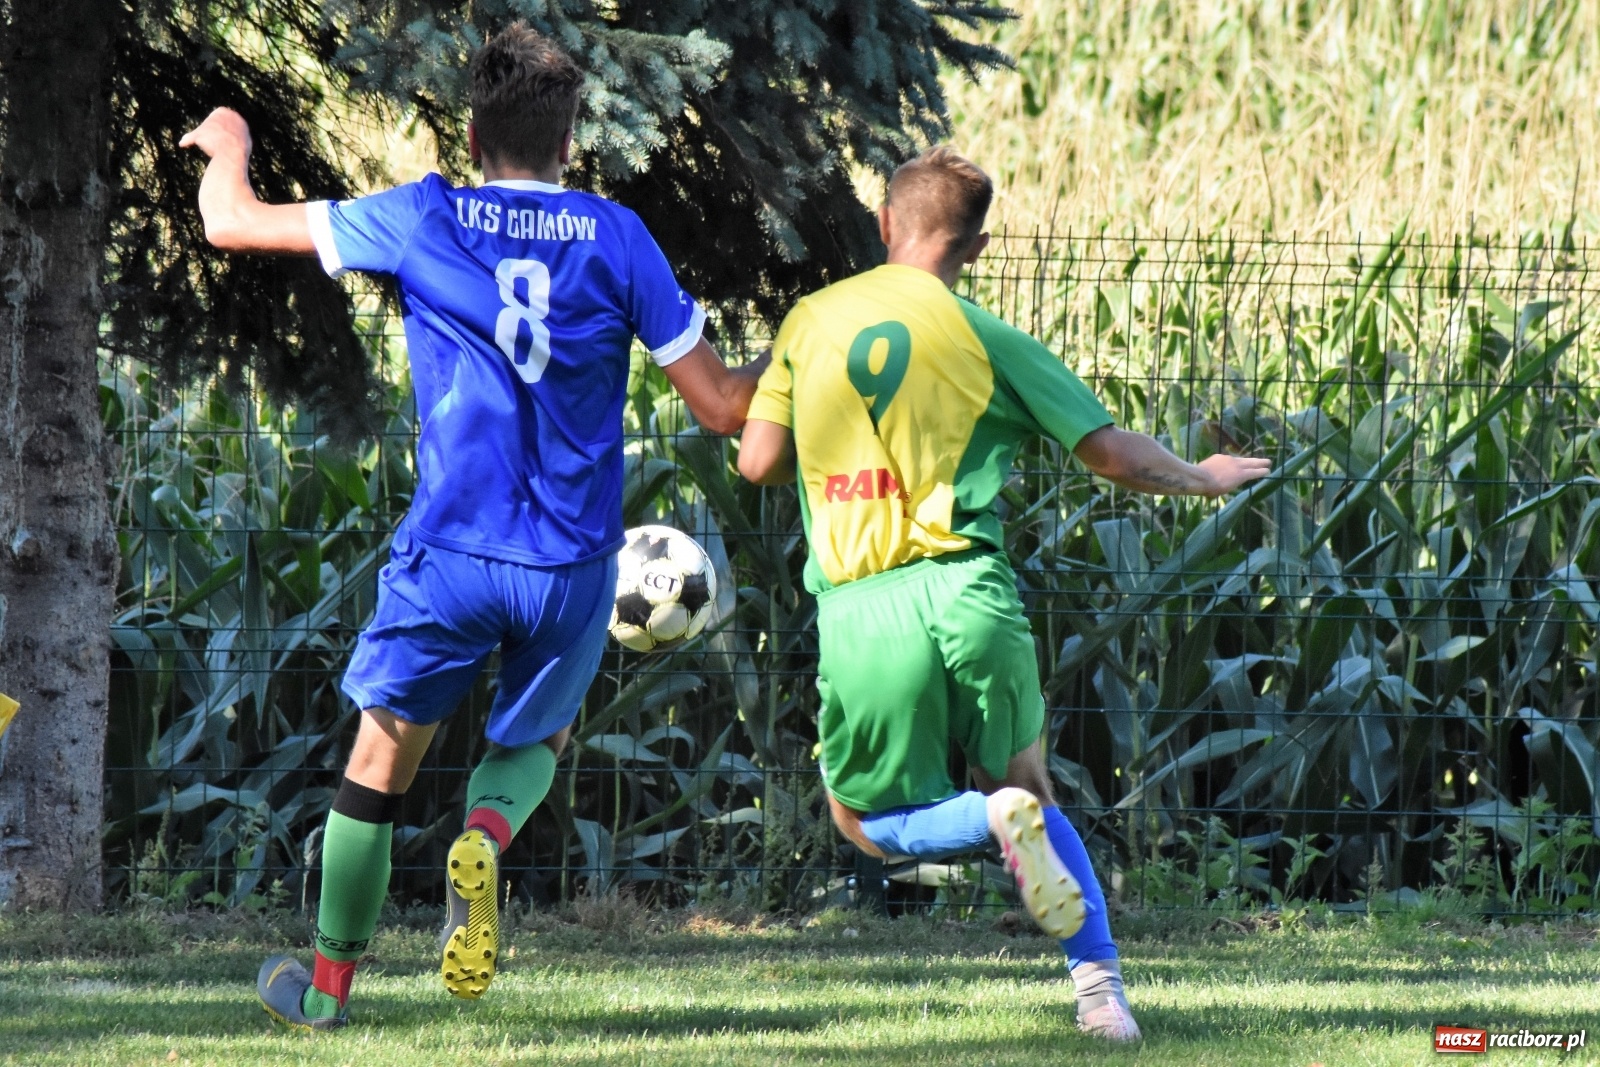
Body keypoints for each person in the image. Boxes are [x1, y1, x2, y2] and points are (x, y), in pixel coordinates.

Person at [183, 24, 765, 1031]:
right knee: (539, 735)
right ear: (570, 138)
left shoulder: (425, 216)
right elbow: (719, 405)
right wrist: (800, 364)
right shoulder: (616, 236)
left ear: (470, 132)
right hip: (573, 565)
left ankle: (325, 994)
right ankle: (485, 841)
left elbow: (231, 223)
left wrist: (231, 141)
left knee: (375, 769)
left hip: (450, 554)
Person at [736, 146, 1271, 1042]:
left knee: (863, 816)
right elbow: (1110, 452)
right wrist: (1203, 476)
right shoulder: (987, 338)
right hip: (972, 590)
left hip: (866, 604)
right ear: (975, 249)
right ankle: (1101, 996)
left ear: (884, 225)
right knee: (1032, 787)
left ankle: (987, 821)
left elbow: (755, 461)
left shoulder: (813, 319)